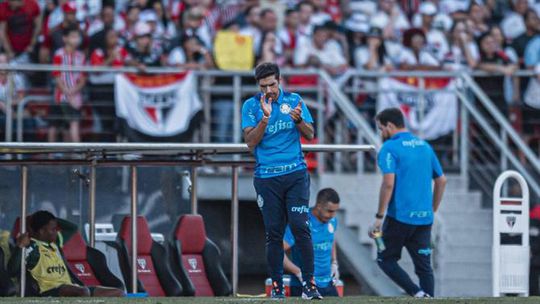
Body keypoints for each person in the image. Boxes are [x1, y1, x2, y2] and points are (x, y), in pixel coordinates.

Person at [241, 62, 321, 300]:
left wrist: (298, 121)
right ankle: (277, 287)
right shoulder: (251, 106)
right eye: (264, 86)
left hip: (295, 174)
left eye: (272, 84)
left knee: (300, 227)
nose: (269, 90)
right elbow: (250, 142)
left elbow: (310, 134)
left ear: (280, 81)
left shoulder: (294, 100)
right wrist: (265, 119)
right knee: (274, 233)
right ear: (258, 85)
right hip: (267, 178)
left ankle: (309, 285)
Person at [370, 108, 447, 298]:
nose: (381, 133)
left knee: (385, 259)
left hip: (400, 218)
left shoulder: (389, 148)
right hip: (424, 219)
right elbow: (441, 180)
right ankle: (427, 296)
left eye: (381, 129)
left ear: (389, 125)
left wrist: (379, 217)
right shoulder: (424, 146)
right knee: (424, 267)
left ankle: (417, 293)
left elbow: (388, 183)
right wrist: (432, 210)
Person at [13, 211, 124, 297]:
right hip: (51, 290)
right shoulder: (32, 246)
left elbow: (72, 228)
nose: (56, 232)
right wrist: (19, 247)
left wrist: (51, 219)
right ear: (42, 231)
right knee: (83, 292)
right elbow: (12, 270)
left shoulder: (56, 244)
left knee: (119, 293)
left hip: (73, 288)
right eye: (53, 229)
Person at [283, 188, 341, 297]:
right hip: (304, 285)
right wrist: (297, 272)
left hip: (328, 284)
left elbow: (331, 239)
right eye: (329, 211)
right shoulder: (302, 223)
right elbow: (277, 252)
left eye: (335, 211)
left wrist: (334, 262)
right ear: (319, 206)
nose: (333, 215)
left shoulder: (332, 220)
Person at [48, 25, 87, 143]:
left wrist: (73, 91)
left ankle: (73, 157)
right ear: (65, 38)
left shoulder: (81, 56)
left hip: (75, 97)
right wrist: (65, 91)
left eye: (78, 36)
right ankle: (49, 157)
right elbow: (56, 75)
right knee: (54, 126)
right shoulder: (59, 54)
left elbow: (83, 78)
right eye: (73, 36)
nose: (76, 39)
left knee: (71, 126)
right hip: (60, 96)